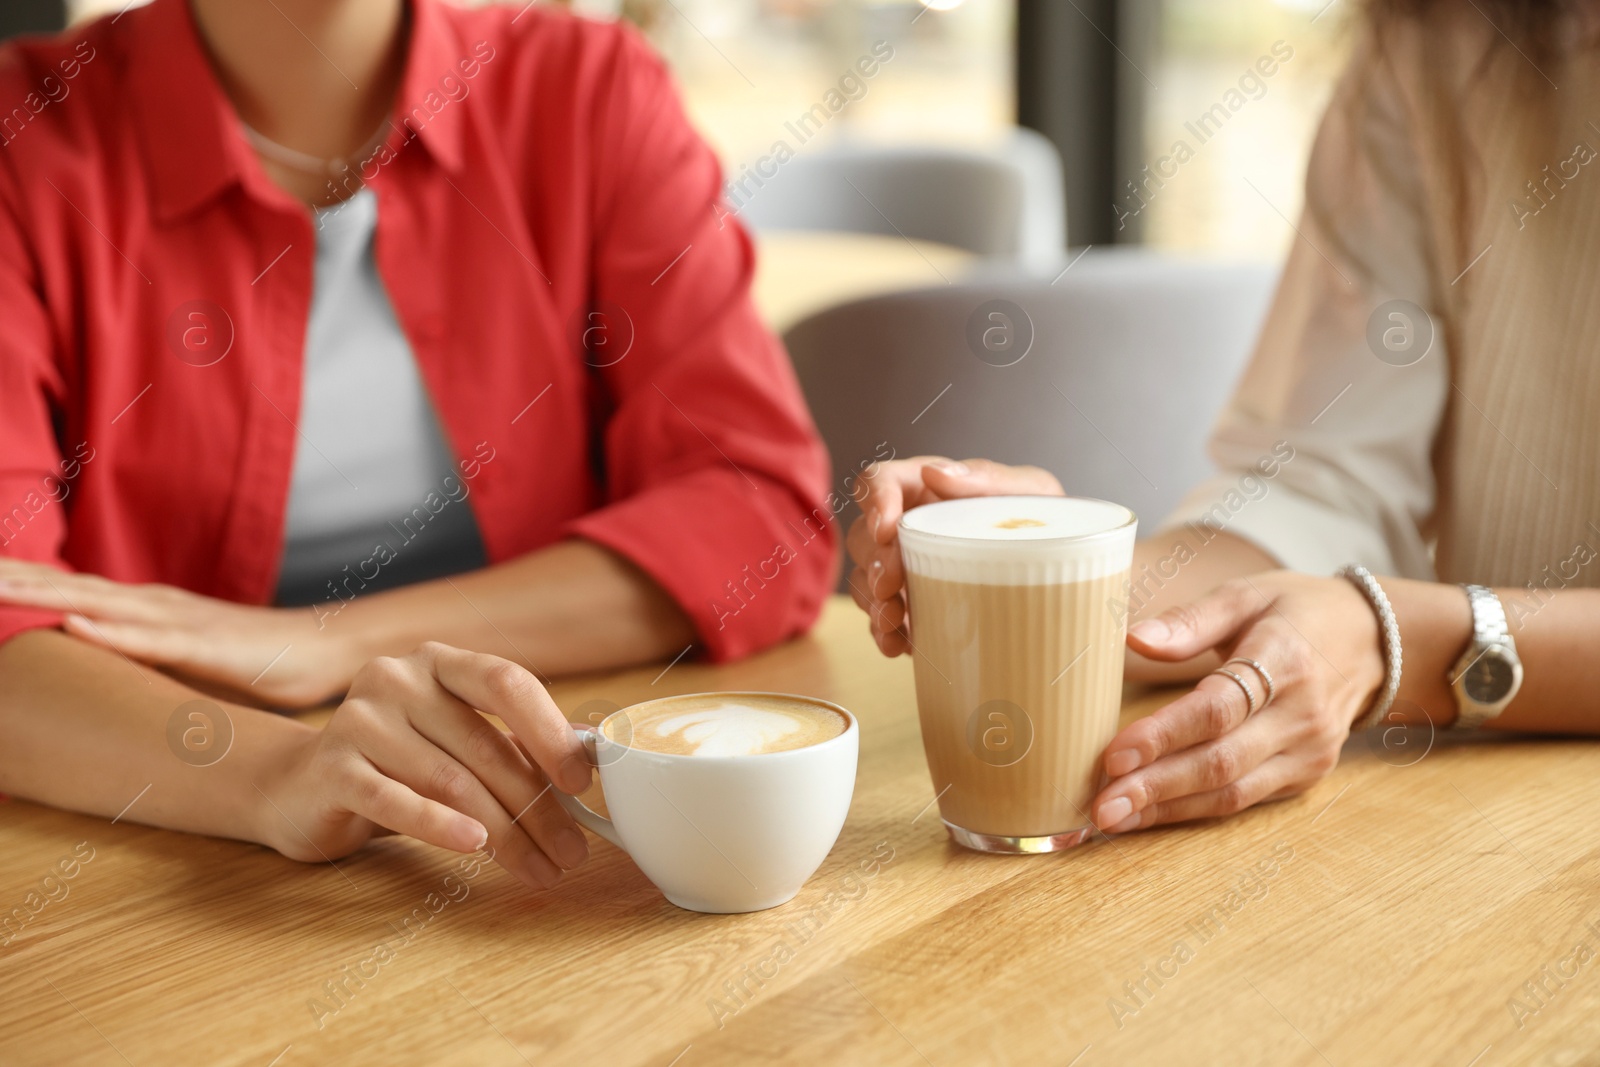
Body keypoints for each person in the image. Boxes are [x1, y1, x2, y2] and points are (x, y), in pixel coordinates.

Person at [0, 0, 836, 889]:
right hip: (174, 851)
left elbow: (758, 508)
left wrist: (323, 642)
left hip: (555, 827)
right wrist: (277, 772)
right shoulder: (25, 140)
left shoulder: (589, 91)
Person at [849, 0, 1600, 837]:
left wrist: (1409, 644)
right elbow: (1325, 483)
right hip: (1484, 829)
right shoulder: (1440, 38)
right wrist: (1062, 574)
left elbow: (1368, 621)